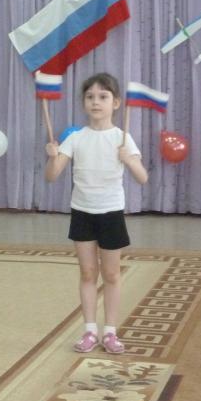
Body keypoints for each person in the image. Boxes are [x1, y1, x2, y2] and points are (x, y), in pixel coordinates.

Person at [45, 72, 148, 355]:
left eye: (103, 96)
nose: (95, 102)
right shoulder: (75, 138)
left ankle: (110, 331)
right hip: (82, 213)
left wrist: (129, 160)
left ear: (115, 103)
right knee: (88, 272)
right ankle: (90, 330)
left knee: (111, 274)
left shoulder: (122, 138)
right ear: (83, 102)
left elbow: (142, 177)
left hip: (111, 213)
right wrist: (52, 157)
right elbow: (52, 176)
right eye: (90, 96)